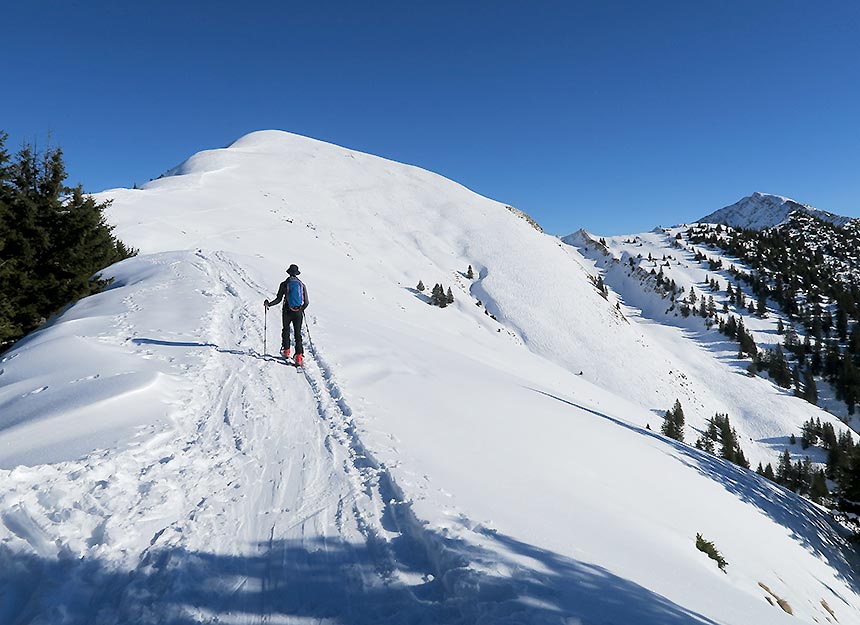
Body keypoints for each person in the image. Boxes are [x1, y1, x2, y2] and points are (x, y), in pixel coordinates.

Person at [264, 264, 309, 365]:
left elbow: (279, 299)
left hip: (287, 311)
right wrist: (301, 309)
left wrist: (269, 304)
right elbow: (306, 302)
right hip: (298, 312)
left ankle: (286, 351)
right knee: (298, 333)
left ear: (288, 273)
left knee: (286, 329)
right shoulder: (302, 285)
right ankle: (298, 357)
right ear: (297, 273)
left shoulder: (284, 284)